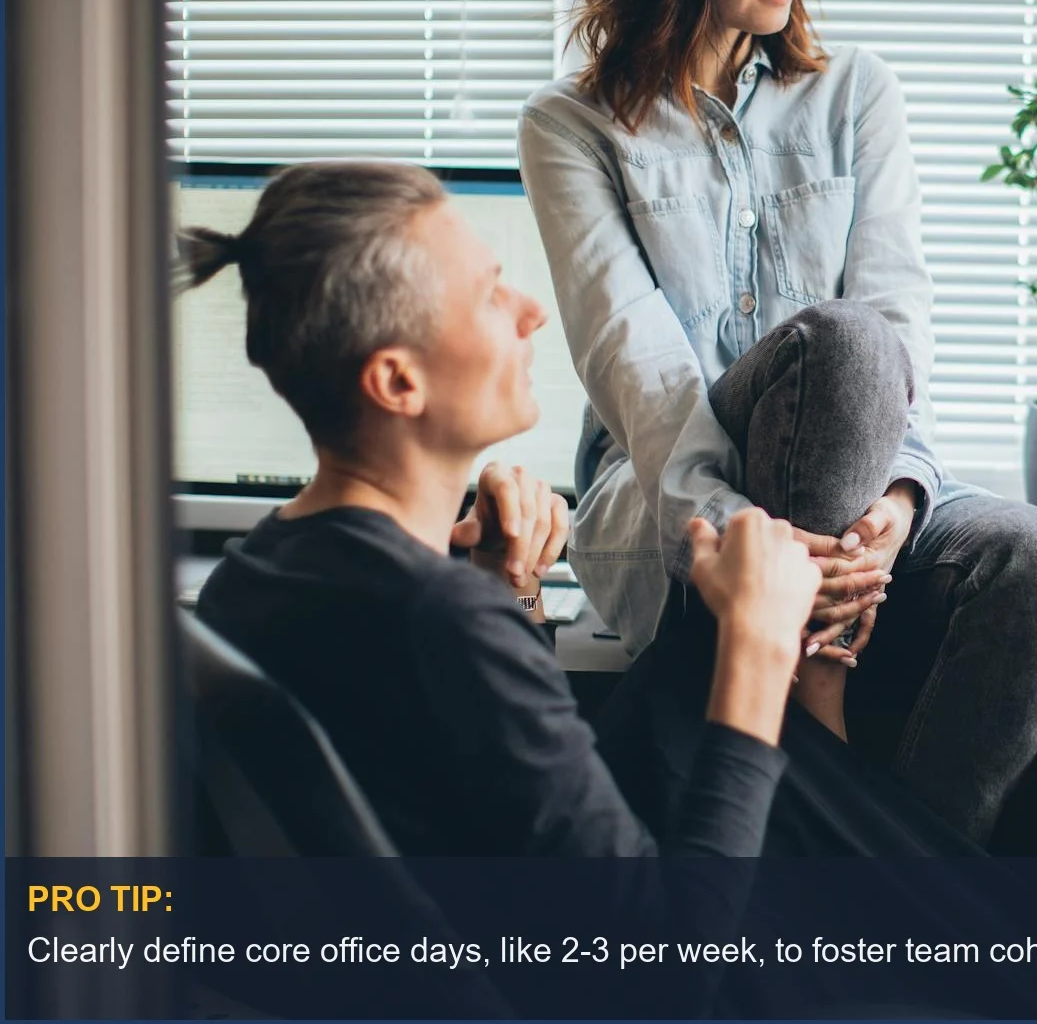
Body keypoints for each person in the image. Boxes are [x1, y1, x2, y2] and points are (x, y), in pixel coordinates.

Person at [518, 0, 1037, 842]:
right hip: (679, 507)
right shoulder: (571, 128)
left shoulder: (856, 91)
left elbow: (899, 321)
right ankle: (811, 691)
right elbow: (646, 378)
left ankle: (902, 889)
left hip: (864, 488)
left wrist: (898, 502)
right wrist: (766, 557)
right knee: (839, 344)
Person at [184, 160, 821, 857]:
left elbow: (509, 794)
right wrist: (757, 648)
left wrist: (510, 587)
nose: (532, 311)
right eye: (489, 295)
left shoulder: (246, 578)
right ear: (397, 381)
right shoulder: (442, 620)